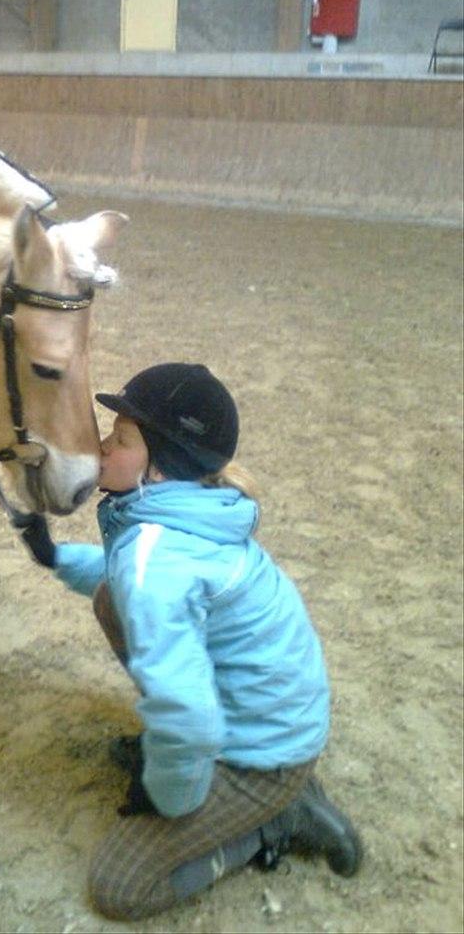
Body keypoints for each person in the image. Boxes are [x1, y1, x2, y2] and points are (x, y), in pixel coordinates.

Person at [21, 362, 362, 921]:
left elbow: (185, 708)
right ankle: (205, 773)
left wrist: (168, 794)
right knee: (113, 598)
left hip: (259, 758)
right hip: (268, 719)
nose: (102, 448)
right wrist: (55, 557)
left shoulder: (156, 560)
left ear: (159, 468)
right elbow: (127, 584)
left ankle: (275, 820)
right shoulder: (187, 509)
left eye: (121, 440)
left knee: (120, 887)